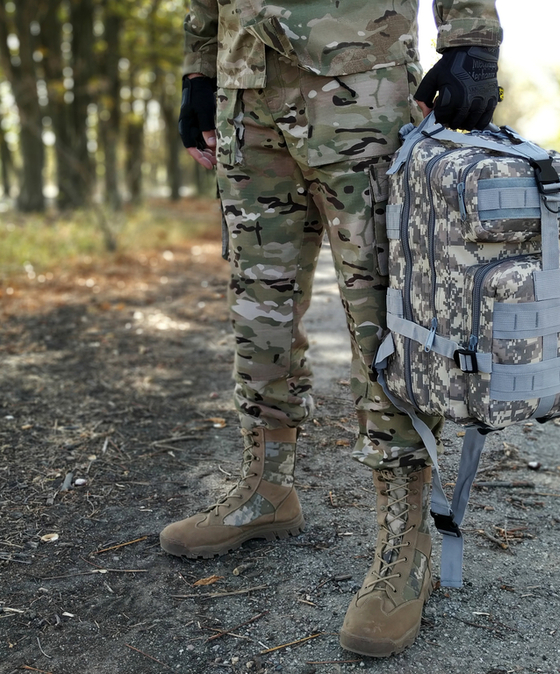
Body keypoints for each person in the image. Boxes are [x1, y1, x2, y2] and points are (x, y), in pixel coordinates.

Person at [160, 0, 502, 658]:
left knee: (386, 316)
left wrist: (473, 41)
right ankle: (267, 486)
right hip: (244, 96)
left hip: (360, 83)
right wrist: (199, 72)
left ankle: (406, 540)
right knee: (258, 306)